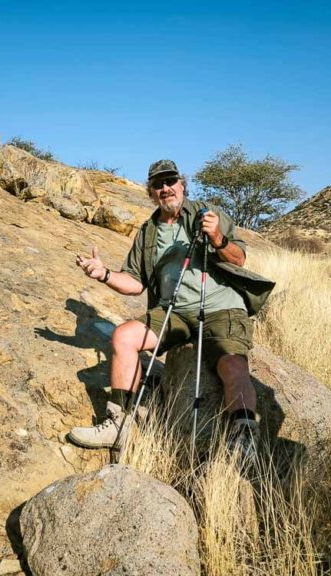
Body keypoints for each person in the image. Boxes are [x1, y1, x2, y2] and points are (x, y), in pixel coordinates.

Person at [68, 159, 273, 459]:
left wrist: (217, 238)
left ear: (182, 184)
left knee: (232, 363)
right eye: (157, 184)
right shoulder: (148, 231)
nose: (165, 189)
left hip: (221, 308)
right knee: (124, 336)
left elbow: (238, 258)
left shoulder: (207, 213)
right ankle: (118, 423)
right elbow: (136, 282)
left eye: (170, 181)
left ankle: (243, 436)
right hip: (174, 313)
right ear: (151, 192)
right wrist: (105, 275)